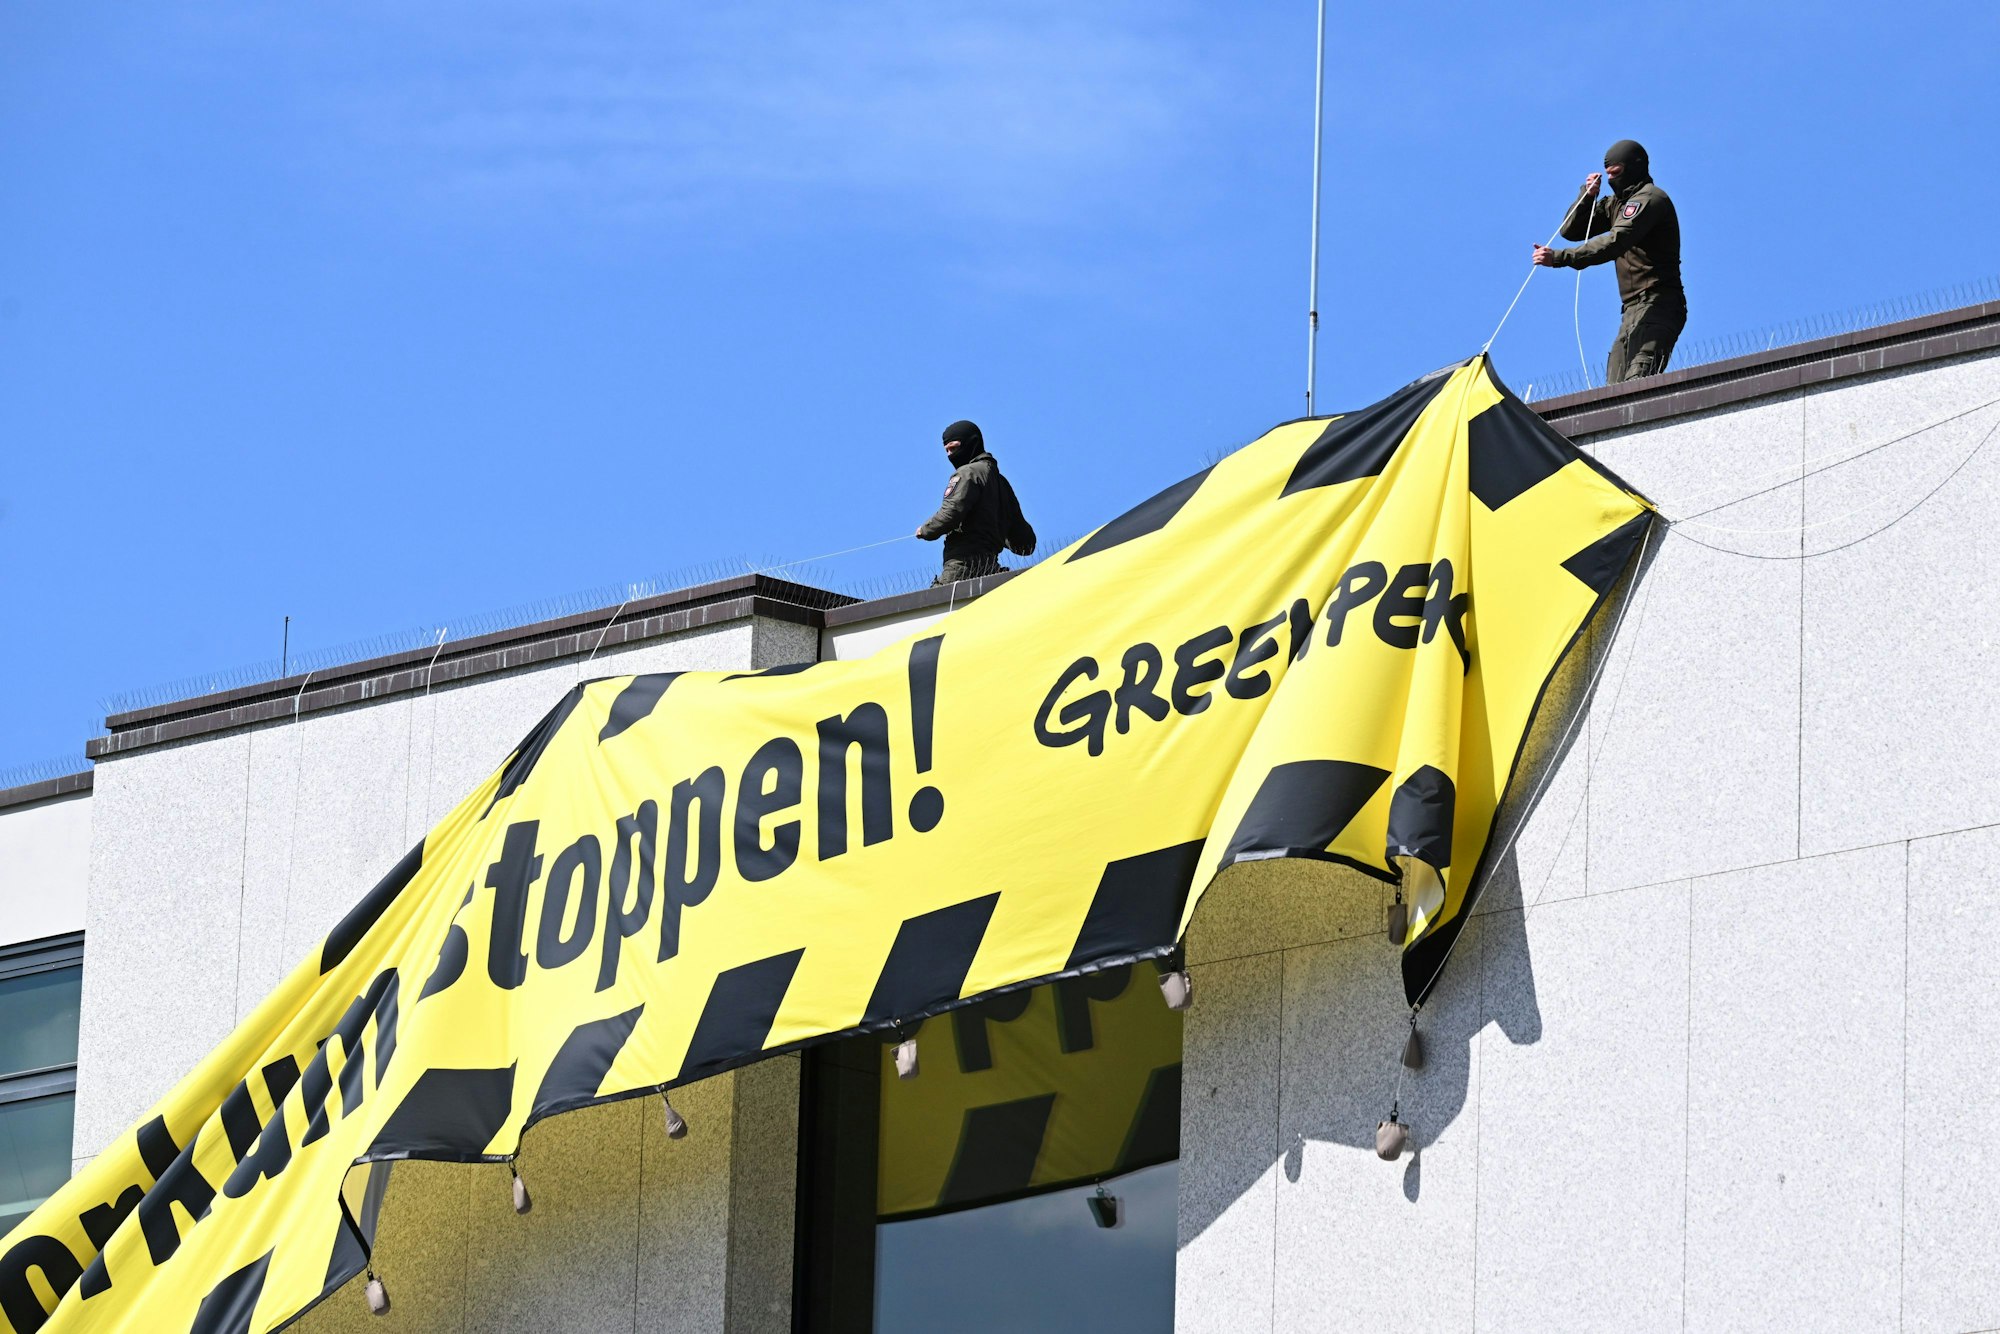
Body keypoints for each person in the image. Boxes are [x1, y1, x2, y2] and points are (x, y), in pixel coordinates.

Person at [1533, 139, 1685, 383]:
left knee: (1638, 381)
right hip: (1630, 311)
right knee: (1613, 390)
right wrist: (1587, 196)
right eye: (1608, 174)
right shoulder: (1616, 204)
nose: (1611, 179)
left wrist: (1560, 257)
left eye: (1616, 172)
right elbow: (1571, 230)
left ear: (1634, 167)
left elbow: (1616, 241)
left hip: (1659, 305)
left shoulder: (1650, 199)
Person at [916, 419, 1035, 585]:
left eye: (954, 448)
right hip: (991, 570)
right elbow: (1025, 543)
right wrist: (996, 533)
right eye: (947, 450)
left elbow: (951, 512)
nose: (950, 455)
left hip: (961, 568)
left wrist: (925, 530)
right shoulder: (1001, 483)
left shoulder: (967, 473)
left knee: (943, 601)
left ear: (972, 443)